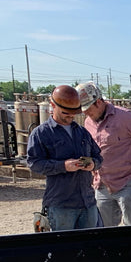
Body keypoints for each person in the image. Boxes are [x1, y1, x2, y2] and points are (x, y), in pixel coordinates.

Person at [76, 82, 131, 226]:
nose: (85, 113)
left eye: (87, 109)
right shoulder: (88, 123)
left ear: (98, 102)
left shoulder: (124, 117)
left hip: (128, 180)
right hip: (102, 183)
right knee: (104, 226)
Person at [26, 85, 102, 231]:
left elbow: (98, 156)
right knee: (63, 245)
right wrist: (63, 166)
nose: (70, 116)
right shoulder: (41, 134)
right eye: (66, 113)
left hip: (87, 203)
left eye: (74, 113)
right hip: (60, 205)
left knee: (89, 244)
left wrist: (93, 164)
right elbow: (34, 163)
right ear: (53, 105)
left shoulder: (82, 132)